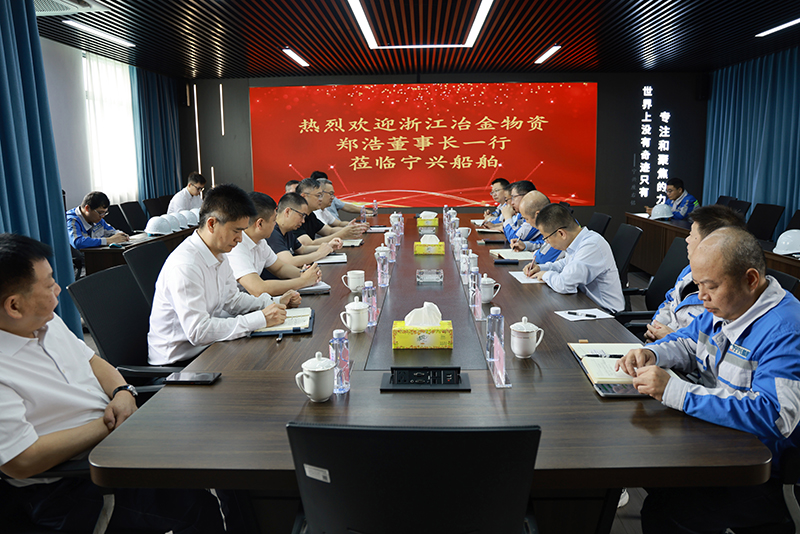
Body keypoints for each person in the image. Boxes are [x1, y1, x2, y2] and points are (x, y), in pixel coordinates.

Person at [0, 233, 251, 533]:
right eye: (48, 284)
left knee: (223, 446)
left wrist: (122, 392)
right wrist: (111, 423)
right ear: (14, 306)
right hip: (76, 483)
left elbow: (92, 361)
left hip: (118, 435)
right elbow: (21, 460)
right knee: (195, 504)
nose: (57, 289)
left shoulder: (45, 321)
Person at [615, 227, 800, 533]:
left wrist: (676, 391)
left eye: (710, 286)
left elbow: (775, 415)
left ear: (751, 280)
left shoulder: (786, 330)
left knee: (666, 510)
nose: (701, 296)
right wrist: (652, 354)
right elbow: (689, 343)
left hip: (758, 470)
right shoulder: (727, 306)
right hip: (714, 440)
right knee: (646, 468)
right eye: (698, 284)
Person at [148, 184, 291, 366]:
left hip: (208, 349)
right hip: (179, 365)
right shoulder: (186, 265)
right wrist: (260, 319)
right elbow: (199, 331)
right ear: (212, 224)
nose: (240, 239)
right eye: (236, 231)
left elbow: (232, 300)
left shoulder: (219, 253)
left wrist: (272, 302)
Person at [645, 204, 746, 341]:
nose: (687, 239)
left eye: (692, 235)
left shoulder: (729, 295)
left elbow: (711, 345)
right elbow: (669, 302)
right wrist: (655, 328)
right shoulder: (688, 270)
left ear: (710, 242)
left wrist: (671, 338)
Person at [524, 203, 625, 313]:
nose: (547, 242)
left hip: (605, 313)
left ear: (561, 233)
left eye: (546, 238)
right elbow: (565, 264)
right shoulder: (577, 241)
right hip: (585, 304)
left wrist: (545, 275)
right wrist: (541, 268)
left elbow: (564, 284)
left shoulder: (592, 246)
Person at [227, 192, 321, 299]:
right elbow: (258, 289)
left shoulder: (260, 242)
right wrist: (303, 281)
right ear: (260, 223)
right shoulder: (236, 246)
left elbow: (280, 268)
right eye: (273, 220)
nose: (275, 224)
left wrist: (305, 273)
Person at [267, 193, 343, 268]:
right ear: (287, 211)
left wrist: (328, 246)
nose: (303, 221)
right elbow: (290, 261)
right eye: (301, 215)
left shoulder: (287, 231)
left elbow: (302, 249)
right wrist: (319, 253)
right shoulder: (272, 232)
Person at [293, 178, 367, 246]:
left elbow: (329, 231)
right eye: (318, 196)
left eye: (321, 195)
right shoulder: (295, 216)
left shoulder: (310, 214)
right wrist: (343, 233)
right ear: (304, 196)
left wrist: (351, 229)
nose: (321, 199)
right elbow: (308, 244)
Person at [515, 191, 564, 265]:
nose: (527, 222)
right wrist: (525, 246)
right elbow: (543, 244)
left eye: (526, 219)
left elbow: (543, 258)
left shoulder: (558, 227)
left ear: (538, 215)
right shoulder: (551, 224)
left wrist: (535, 253)